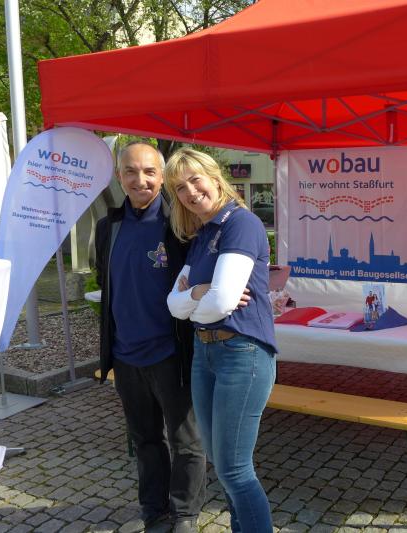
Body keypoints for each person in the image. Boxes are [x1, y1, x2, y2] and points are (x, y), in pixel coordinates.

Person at [95, 141, 205, 533]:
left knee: (186, 442)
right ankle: (154, 511)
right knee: (145, 441)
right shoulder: (108, 227)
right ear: (119, 176)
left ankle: (185, 514)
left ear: (162, 177)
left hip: (171, 355)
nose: (139, 180)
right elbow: (107, 283)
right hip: (126, 357)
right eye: (130, 171)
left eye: (149, 172)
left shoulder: (181, 224)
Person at [165, 148, 277, 533]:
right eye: (180, 188)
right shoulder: (203, 234)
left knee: (235, 469)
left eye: (195, 179)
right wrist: (200, 294)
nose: (190, 192)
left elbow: (224, 301)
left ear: (215, 177)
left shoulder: (240, 223)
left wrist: (194, 300)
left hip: (242, 352)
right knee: (220, 461)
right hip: (205, 352)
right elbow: (174, 304)